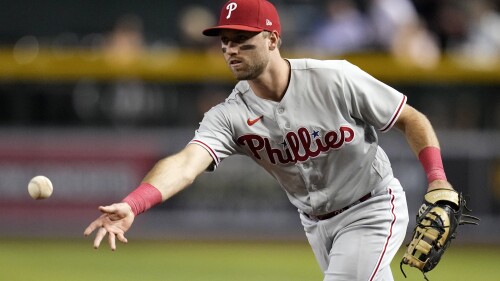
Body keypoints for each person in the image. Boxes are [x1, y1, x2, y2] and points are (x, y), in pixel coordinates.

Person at [84, 1, 455, 280]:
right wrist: (135, 203)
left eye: (242, 39)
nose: (230, 49)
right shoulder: (229, 114)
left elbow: (410, 119)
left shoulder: (333, 78)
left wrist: (437, 179)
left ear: (273, 38)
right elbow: (185, 163)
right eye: (225, 41)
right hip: (315, 224)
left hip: (371, 207)